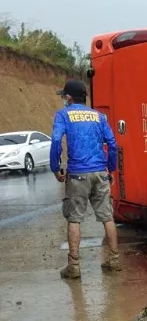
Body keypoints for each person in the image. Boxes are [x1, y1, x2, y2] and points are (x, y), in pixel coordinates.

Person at [51, 79, 120, 279]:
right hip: (100, 172)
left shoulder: (63, 114)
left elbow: (56, 140)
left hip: (77, 174)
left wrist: (56, 167)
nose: (63, 99)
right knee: (107, 217)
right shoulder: (99, 116)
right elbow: (112, 144)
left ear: (69, 97)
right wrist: (111, 169)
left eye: (64, 96)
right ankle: (114, 260)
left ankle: (73, 266)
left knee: (74, 218)